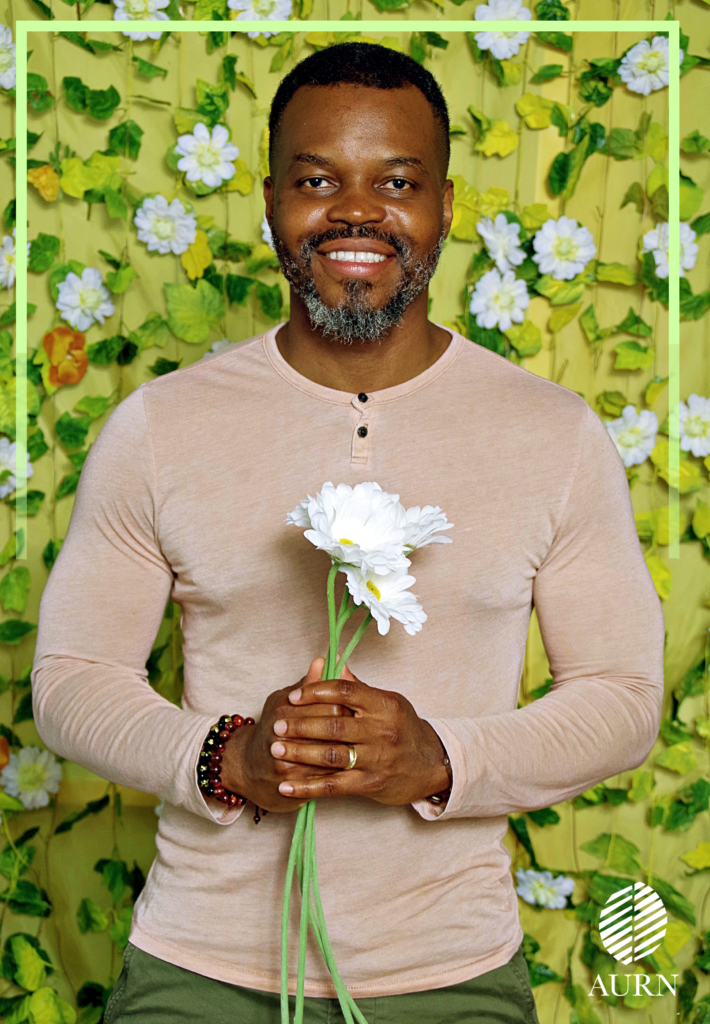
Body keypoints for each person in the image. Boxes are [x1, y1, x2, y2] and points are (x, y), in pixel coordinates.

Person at [31, 41, 665, 1024]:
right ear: (270, 201)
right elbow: (72, 679)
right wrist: (225, 757)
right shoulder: (159, 426)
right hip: (198, 968)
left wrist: (439, 759)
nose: (356, 211)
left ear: (444, 205)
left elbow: (622, 698)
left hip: (452, 973)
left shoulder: (554, 434)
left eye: (396, 182)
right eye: (318, 180)